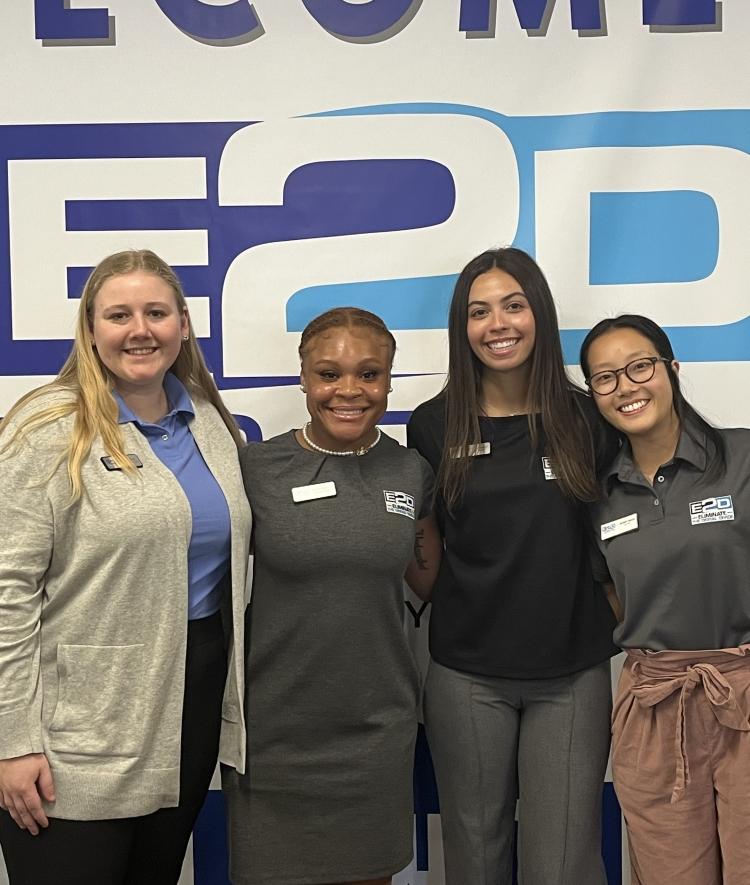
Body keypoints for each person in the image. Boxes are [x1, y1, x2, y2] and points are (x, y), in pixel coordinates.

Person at [0, 249, 251, 885]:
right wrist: (12, 741)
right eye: (118, 315)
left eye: (156, 312)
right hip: (77, 727)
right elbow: (7, 592)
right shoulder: (47, 428)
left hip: (186, 708)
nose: (140, 329)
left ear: (184, 325)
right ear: (90, 330)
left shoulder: (210, 424)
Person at [407, 247, 619, 885]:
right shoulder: (434, 424)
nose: (498, 323)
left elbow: (615, 538)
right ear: (461, 327)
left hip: (571, 674)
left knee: (562, 859)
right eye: (479, 311)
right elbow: (425, 547)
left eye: (514, 305)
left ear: (540, 315)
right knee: (474, 854)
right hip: (466, 675)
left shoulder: (587, 417)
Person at [223, 307, 441, 885]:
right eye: (329, 374)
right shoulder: (256, 469)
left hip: (375, 734)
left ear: (390, 380)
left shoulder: (411, 472)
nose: (349, 390)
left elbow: (437, 581)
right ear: (303, 378)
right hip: (274, 738)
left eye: (369, 374)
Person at [580, 314, 750, 885]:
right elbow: (613, 594)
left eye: (639, 366)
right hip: (655, 707)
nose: (626, 386)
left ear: (671, 370)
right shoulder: (598, 497)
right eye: (605, 378)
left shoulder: (743, 459)